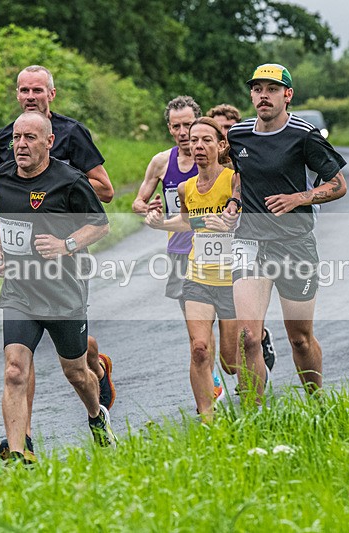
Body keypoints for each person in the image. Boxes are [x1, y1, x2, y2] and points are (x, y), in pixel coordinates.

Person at [0, 65, 116, 460]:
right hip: (20, 286)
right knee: (15, 368)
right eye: (16, 138)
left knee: (75, 372)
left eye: (29, 138)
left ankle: (96, 416)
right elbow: (4, 211)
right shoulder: (1, 176)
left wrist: (66, 243)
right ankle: (19, 452)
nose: (19, 144)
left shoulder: (71, 176)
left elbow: (101, 222)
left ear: (50, 142)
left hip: (63, 286)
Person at [227, 63, 348, 400]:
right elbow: (239, 174)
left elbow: (338, 184)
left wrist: (300, 198)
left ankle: (317, 402)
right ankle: (253, 417)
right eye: (257, 89)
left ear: (288, 94)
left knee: (300, 339)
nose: (263, 95)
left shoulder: (304, 135)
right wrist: (234, 201)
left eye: (272, 89)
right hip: (250, 242)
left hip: (295, 244)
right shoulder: (237, 134)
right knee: (248, 336)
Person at [146, 117, 240, 420]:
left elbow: (251, 218)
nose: (198, 145)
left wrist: (231, 223)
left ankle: (255, 402)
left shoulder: (234, 180)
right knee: (199, 348)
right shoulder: (186, 188)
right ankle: (208, 420)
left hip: (233, 279)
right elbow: (186, 221)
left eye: (206, 140)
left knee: (230, 362)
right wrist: (160, 223)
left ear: (221, 145)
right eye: (194, 140)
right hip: (198, 277)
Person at [206, 103, 278, 369]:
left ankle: (258, 341)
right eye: (218, 128)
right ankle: (258, 339)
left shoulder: (246, 162)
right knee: (228, 360)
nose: (223, 134)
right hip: (212, 254)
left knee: (245, 333)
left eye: (228, 128)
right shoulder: (203, 166)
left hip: (248, 246)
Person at [133, 96, 200, 310]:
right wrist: (149, 210)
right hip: (180, 249)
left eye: (188, 125)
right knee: (195, 325)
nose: (182, 132)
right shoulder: (161, 162)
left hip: (214, 248)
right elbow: (137, 203)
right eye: (176, 126)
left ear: (198, 123)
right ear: (170, 128)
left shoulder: (217, 159)